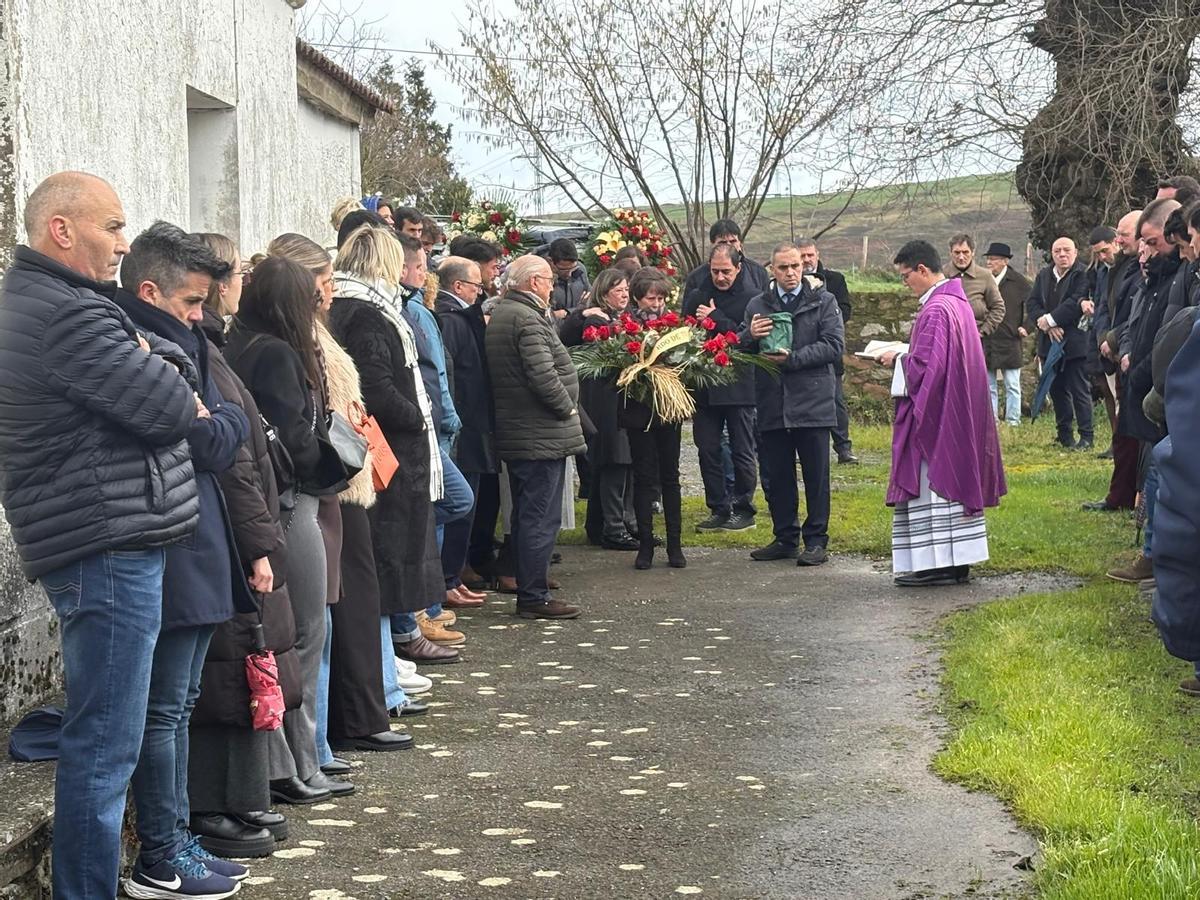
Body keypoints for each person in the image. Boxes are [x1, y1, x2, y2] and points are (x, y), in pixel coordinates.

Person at [0, 172, 199, 899]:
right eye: (112, 226)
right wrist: (161, 361)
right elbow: (173, 408)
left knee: (105, 734)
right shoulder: (68, 313)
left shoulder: (55, 302)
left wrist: (154, 354)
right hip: (105, 544)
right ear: (61, 229)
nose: (124, 242)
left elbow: (168, 376)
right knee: (106, 743)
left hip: (101, 537)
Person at [114, 222, 254, 898]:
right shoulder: (140, 345)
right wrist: (214, 422)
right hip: (175, 543)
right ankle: (162, 853)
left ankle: (177, 839)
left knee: (180, 702)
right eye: (192, 301)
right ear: (150, 291)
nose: (202, 315)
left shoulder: (183, 342)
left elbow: (229, 426)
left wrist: (215, 420)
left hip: (199, 538)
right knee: (165, 708)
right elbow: (211, 442)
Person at [225, 256, 351, 806]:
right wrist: (331, 466)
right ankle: (302, 760)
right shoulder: (277, 352)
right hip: (293, 500)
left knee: (284, 633)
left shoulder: (240, 342)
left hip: (268, 499)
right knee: (305, 631)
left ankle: (296, 758)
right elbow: (295, 437)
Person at [189, 232, 299, 859]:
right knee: (228, 670)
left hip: (243, 524)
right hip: (232, 531)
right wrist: (259, 543)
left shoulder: (214, 347)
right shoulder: (203, 352)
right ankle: (217, 804)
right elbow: (231, 459)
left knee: (247, 661)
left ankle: (242, 795)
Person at [327, 226, 459, 665]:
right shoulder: (368, 312)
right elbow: (377, 386)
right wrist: (415, 416)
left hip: (383, 445)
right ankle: (398, 642)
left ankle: (395, 645)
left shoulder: (350, 305)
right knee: (392, 550)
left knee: (388, 548)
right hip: (391, 447)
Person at [880, 240, 1006, 586]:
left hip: (939, 419)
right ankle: (958, 562)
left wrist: (897, 360)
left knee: (933, 486)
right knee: (953, 480)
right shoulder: (957, 302)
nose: (905, 283)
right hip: (958, 409)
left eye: (906, 276)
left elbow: (926, 368)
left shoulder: (936, 309)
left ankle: (936, 564)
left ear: (922, 269)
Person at [486, 255, 587, 619]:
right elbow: (542, 375)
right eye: (547, 280)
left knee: (529, 513)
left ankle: (530, 584)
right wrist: (567, 408)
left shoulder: (507, 312)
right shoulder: (526, 317)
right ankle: (533, 594)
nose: (551, 288)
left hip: (526, 431)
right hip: (539, 432)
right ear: (532, 282)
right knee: (539, 516)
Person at [393, 232, 475, 646]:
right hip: (424, 425)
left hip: (432, 419)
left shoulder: (415, 309)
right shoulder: (406, 311)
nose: (427, 276)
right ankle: (421, 606)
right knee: (441, 504)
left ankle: (426, 603)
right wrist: (447, 415)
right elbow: (432, 372)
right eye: (422, 267)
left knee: (441, 505)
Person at [742, 242, 844, 567]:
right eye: (783, 267)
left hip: (813, 401)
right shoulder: (758, 305)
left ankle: (816, 541)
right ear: (772, 270)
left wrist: (793, 358)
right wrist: (749, 335)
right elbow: (740, 351)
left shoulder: (823, 301)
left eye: (795, 266)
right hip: (773, 401)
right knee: (778, 476)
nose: (790, 273)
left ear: (804, 266)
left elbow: (833, 346)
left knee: (816, 477)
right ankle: (785, 537)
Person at [1107, 198, 1184, 583]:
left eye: (1153, 243)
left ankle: (1158, 556)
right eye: (1144, 244)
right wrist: (1126, 350)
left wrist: (1146, 372)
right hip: (1146, 383)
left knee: (1159, 472)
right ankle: (1154, 554)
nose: (1148, 251)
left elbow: (1174, 335)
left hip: (1167, 391)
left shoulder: (1180, 275)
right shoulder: (1154, 275)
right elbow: (1136, 323)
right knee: (1152, 470)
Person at [683, 244, 759, 531]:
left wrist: (715, 320)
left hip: (738, 385)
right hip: (705, 385)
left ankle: (744, 508)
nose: (720, 277)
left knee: (742, 450)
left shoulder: (752, 298)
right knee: (707, 449)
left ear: (738, 268)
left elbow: (745, 338)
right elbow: (685, 333)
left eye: (726, 271)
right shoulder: (698, 295)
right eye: (715, 271)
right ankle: (718, 507)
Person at [435, 256, 497, 605]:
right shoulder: (451, 320)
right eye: (475, 286)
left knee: (467, 507)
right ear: (458, 286)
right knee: (460, 507)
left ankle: (453, 576)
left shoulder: (459, 318)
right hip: (463, 424)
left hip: (469, 421)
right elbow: (451, 377)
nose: (480, 292)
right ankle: (446, 578)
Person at [561, 269, 637, 550]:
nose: (624, 295)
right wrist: (582, 314)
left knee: (612, 463)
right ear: (604, 293)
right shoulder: (596, 320)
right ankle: (614, 528)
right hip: (604, 401)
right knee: (615, 460)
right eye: (618, 290)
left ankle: (602, 525)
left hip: (612, 400)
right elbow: (571, 337)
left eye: (626, 289)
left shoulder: (620, 318)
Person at [622, 268, 686, 569]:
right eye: (651, 298)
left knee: (670, 477)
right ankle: (645, 544)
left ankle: (675, 544)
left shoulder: (673, 325)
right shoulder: (627, 326)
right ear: (637, 297)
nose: (657, 304)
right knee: (644, 477)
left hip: (668, 409)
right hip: (639, 411)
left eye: (661, 298)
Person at [1085, 210, 1145, 511]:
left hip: (1133, 353)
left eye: (1124, 235)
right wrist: (1103, 339)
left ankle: (1129, 496)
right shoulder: (1114, 268)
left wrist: (1114, 339)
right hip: (1115, 351)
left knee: (1132, 431)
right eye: (1117, 234)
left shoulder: (1142, 267)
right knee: (1123, 430)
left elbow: (1137, 314)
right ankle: (1120, 496)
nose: (1118, 241)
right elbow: (1104, 308)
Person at [1027, 236, 1093, 448]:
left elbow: (1075, 302)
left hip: (1075, 343)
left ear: (1075, 252)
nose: (1062, 254)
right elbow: (1032, 303)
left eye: (1066, 250)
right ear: (1052, 253)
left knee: (1079, 390)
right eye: (1057, 251)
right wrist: (1046, 324)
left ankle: (1086, 437)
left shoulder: (1083, 274)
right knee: (1057, 391)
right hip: (1049, 343)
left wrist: (1051, 319)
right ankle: (1064, 436)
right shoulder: (1044, 275)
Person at [798, 238, 857, 464]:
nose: (806, 260)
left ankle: (843, 448)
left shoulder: (835, 280)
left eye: (810, 255)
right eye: (802, 256)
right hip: (799, 352)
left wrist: (824, 323)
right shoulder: (788, 283)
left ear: (817, 255)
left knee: (836, 401)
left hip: (828, 351)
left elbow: (845, 310)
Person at [980, 242, 1032, 426]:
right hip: (987, 339)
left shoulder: (1019, 282)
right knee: (989, 385)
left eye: (993, 259)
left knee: (1012, 384)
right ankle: (992, 421)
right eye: (988, 259)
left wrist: (1027, 327)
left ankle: (1013, 421)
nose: (989, 263)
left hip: (1010, 339)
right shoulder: (983, 279)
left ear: (1005, 261)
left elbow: (1033, 306)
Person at [1085, 227, 1120, 443]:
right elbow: (1101, 307)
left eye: (1105, 251)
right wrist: (1102, 339)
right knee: (1107, 391)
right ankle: (1116, 441)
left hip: (1121, 337)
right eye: (1098, 253)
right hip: (1103, 338)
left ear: (1116, 242)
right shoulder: (1102, 272)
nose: (1102, 257)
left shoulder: (1129, 268)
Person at [683, 219, 771, 295]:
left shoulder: (758, 273)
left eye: (733, 241)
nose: (729, 246)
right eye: (723, 242)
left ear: (740, 243)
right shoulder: (696, 278)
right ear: (712, 245)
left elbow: (768, 306)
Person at [944, 233, 1006, 336]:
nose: (961, 257)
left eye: (965, 252)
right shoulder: (941, 275)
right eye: (957, 252)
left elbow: (998, 307)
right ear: (950, 253)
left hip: (974, 336)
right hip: (946, 336)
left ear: (973, 252)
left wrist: (983, 331)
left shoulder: (985, 276)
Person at [547, 237, 590, 318]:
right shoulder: (541, 278)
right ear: (551, 262)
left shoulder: (580, 269)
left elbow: (589, 299)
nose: (569, 274)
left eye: (573, 269)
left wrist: (567, 312)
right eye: (564, 270)